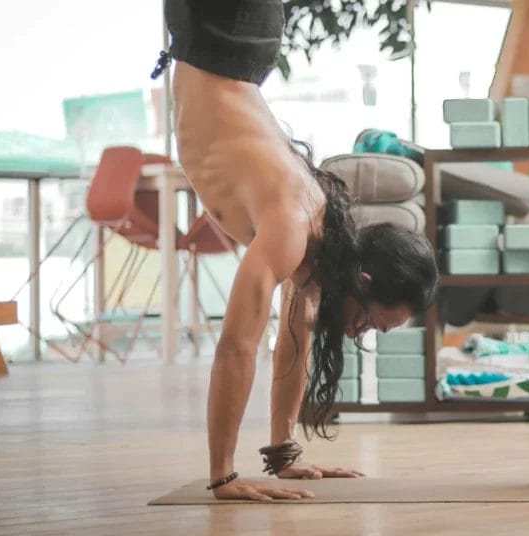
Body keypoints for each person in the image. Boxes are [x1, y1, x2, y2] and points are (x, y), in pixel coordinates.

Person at [152, 0, 438, 501]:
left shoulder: (316, 264)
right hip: (223, 31)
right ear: (364, 283)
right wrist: (223, 477)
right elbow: (237, 346)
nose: (357, 333)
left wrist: (283, 455)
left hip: (233, 44)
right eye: (369, 322)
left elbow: (295, 342)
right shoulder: (292, 227)